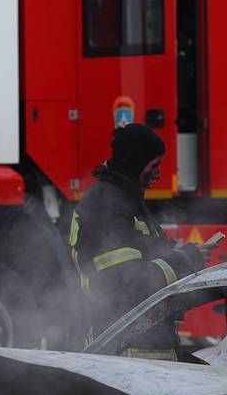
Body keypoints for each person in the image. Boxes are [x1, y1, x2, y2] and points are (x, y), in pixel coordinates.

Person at [70, 123, 214, 357]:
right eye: (153, 165)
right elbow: (128, 284)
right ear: (135, 163)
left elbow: (148, 250)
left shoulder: (126, 200)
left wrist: (185, 253)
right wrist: (187, 259)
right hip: (125, 351)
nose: (157, 173)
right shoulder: (106, 206)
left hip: (143, 345)